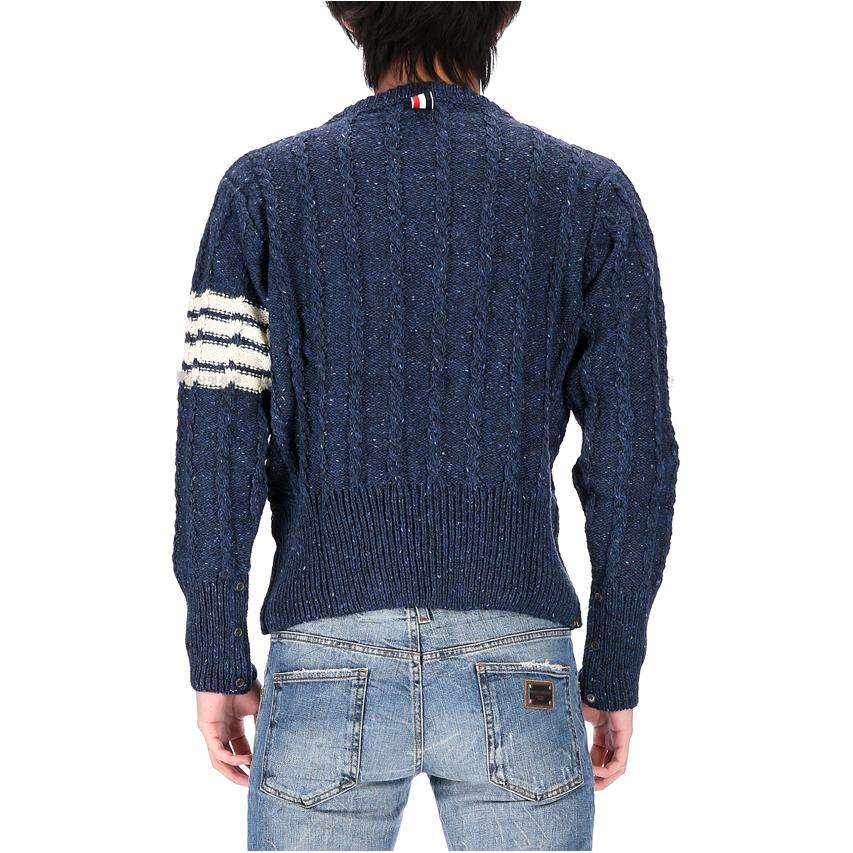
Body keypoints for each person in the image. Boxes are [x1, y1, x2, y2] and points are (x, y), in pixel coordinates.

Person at [172, 2, 679, 850]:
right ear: (500, 19)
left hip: (325, 653)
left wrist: (215, 651)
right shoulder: (588, 195)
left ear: (350, 19)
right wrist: (614, 665)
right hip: (518, 658)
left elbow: (214, 443)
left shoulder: (262, 190)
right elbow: (635, 456)